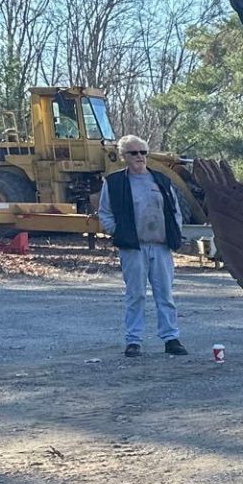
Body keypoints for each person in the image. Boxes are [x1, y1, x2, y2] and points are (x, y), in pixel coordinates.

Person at [97, 135, 189, 357]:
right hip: (133, 249)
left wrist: (174, 234)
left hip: (160, 247)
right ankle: (133, 341)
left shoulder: (162, 180)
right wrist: (118, 232)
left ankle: (171, 339)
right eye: (134, 153)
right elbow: (105, 213)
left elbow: (175, 212)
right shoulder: (114, 183)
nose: (140, 157)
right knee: (135, 295)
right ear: (123, 157)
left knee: (165, 295)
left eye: (143, 152)